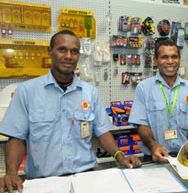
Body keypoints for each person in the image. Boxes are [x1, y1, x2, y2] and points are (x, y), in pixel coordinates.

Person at [0, 30, 141, 193]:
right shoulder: (27, 91)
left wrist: (120, 156)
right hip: (43, 183)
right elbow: (16, 138)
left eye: (74, 51)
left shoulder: (90, 93)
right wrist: (11, 173)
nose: (69, 56)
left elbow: (103, 132)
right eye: (62, 49)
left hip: (85, 179)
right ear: (50, 52)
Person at [128, 39, 188, 164]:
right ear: (155, 60)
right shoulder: (144, 88)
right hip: (155, 157)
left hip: (185, 157)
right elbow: (142, 125)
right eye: (164, 57)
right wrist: (154, 146)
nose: (170, 62)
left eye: (174, 57)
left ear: (179, 59)